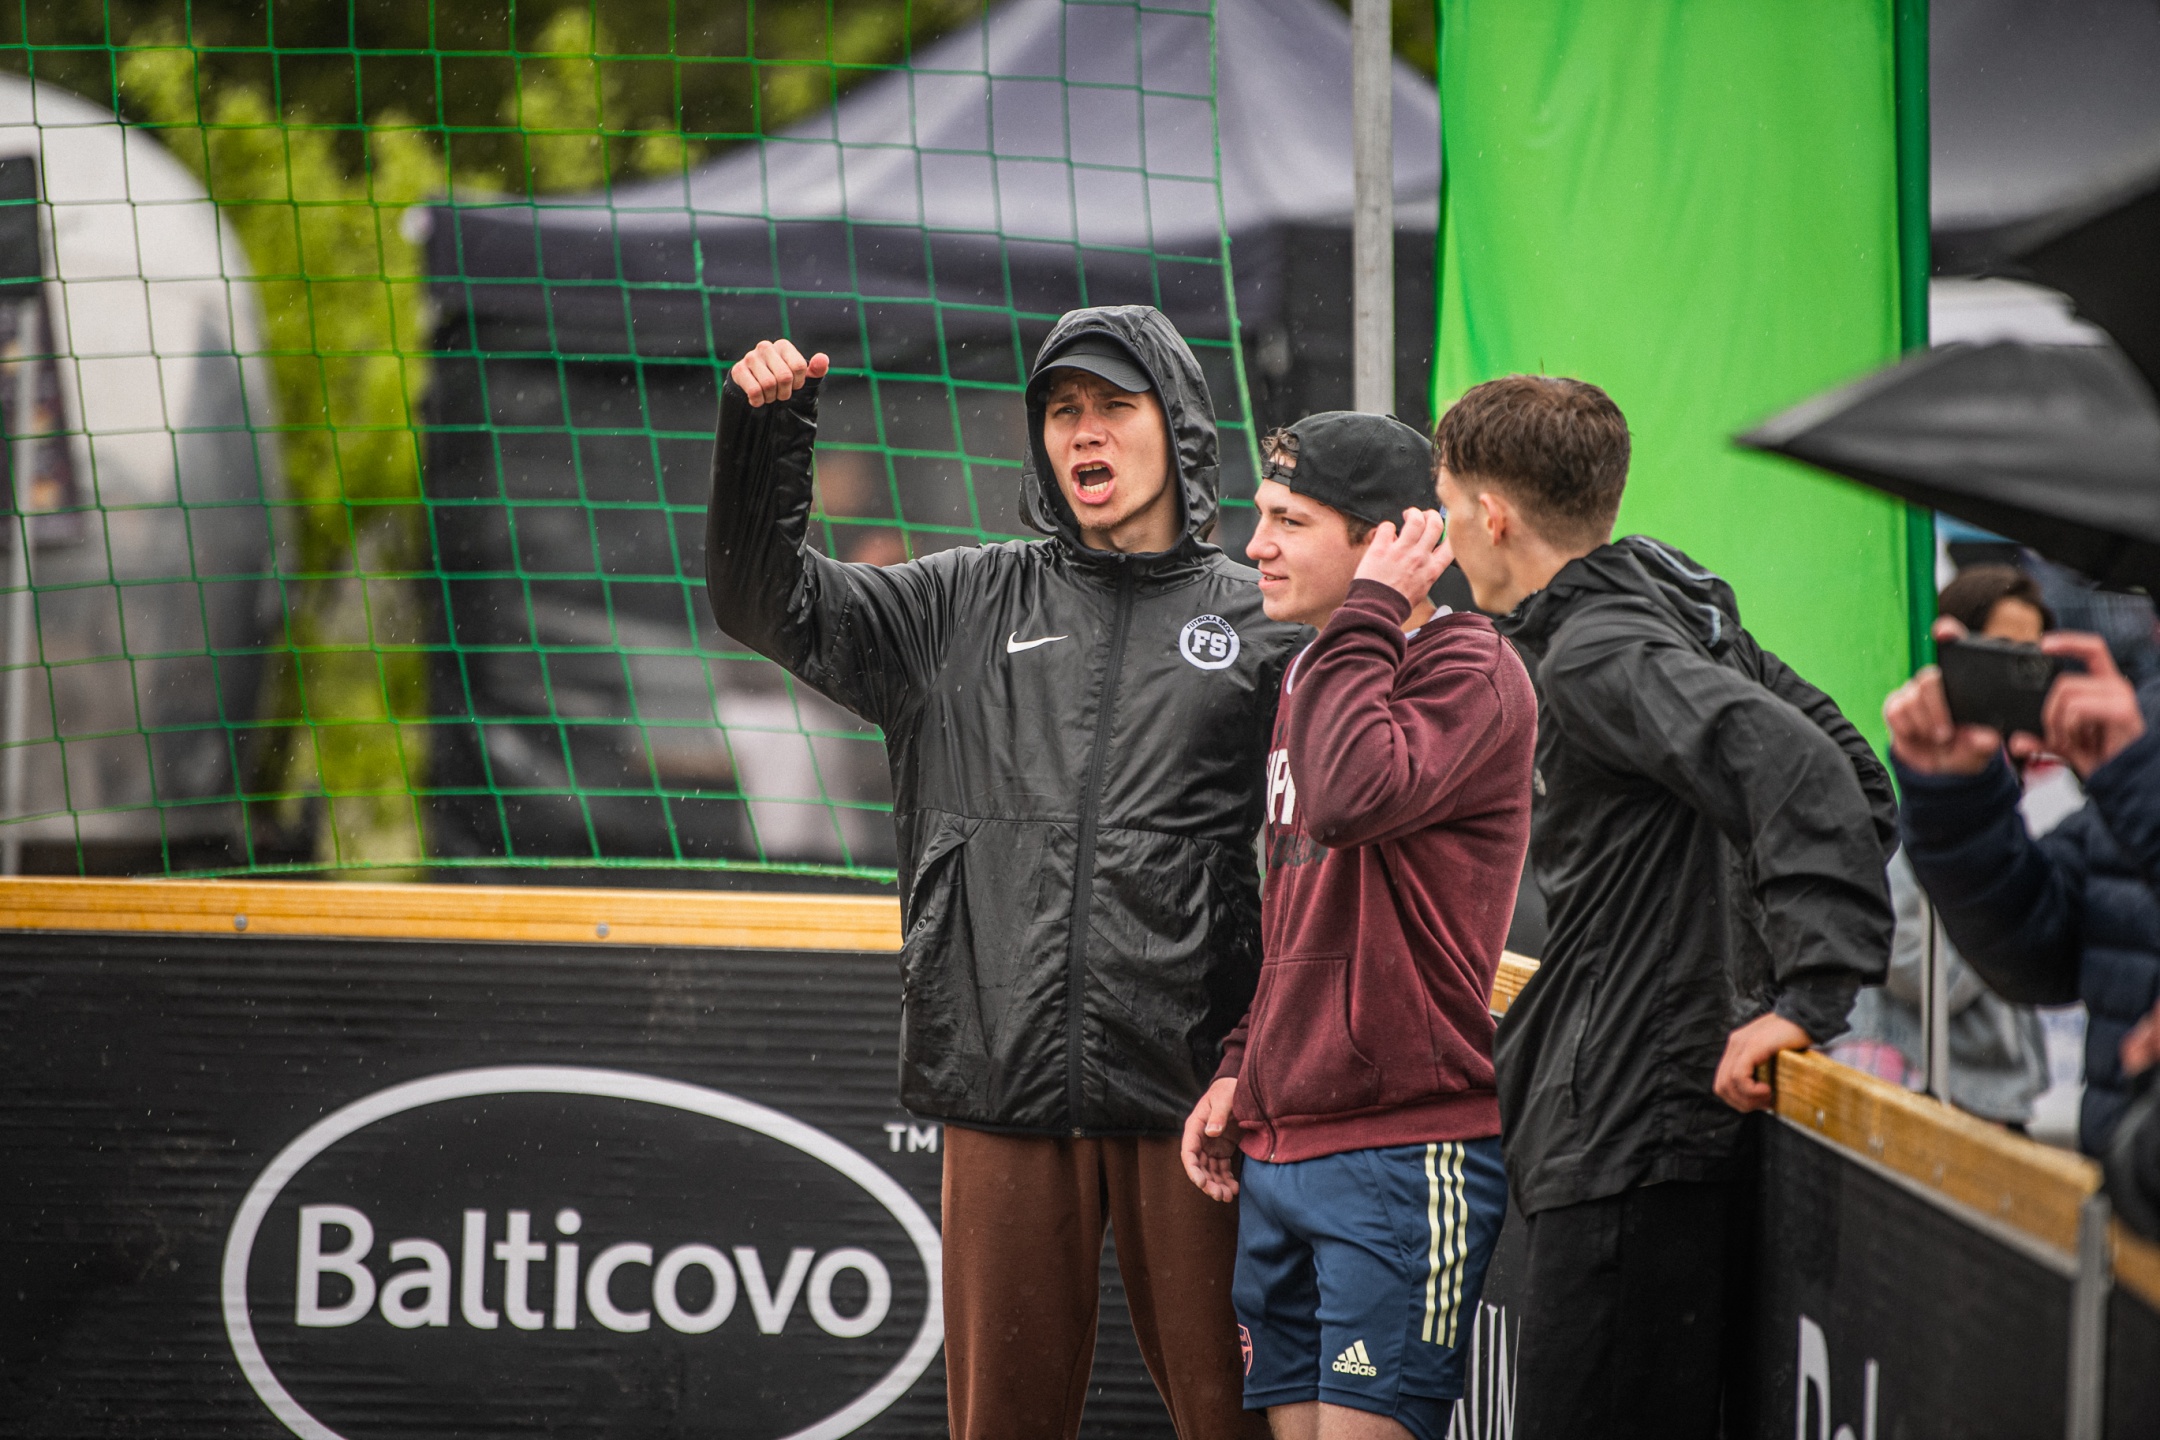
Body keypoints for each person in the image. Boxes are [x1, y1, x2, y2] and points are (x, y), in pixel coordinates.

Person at [705, 307, 1300, 1440]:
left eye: (1113, 406)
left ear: (1178, 427)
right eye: (1062, 411)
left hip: (1202, 1098)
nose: (1085, 431)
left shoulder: (1263, 617)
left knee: (1236, 1421)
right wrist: (764, 439)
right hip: (1002, 1079)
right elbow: (761, 602)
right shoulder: (957, 604)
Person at [1436, 375, 1896, 1439]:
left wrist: (1807, 994)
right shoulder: (1666, 616)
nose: (1449, 538)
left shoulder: (1600, 650)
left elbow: (1810, 774)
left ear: (1493, 515)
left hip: (1627, 1134)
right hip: (1653, 1123)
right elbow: (1854, 780)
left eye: (1449, 507)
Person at [1179, 413, 1535, 1440]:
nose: (1256, 546)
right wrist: (1246, 1061)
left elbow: (1346, 799)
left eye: (1290, 522)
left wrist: (1374, 607)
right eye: (1261, 517)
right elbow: (1298, 900)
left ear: (1388, 541)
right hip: (1285, 1145)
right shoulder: (1316, 667)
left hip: (1400, 1148)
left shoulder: (1470, 667)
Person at [1884, 605, 2160, 1158]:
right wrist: (1957, 802)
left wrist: (2138, 783)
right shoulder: (2148, 713)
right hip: (2121, 1169)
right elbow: (2044, 939)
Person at [1836, 566, 2056, 1126]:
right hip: (1922, 1088)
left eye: (2033, 655)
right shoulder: (1919, 773)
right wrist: (2013, 924)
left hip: (1983, 1092)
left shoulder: (2010, 774)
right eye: (2002, 652)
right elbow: (1904, 956)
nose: (2021, 673)